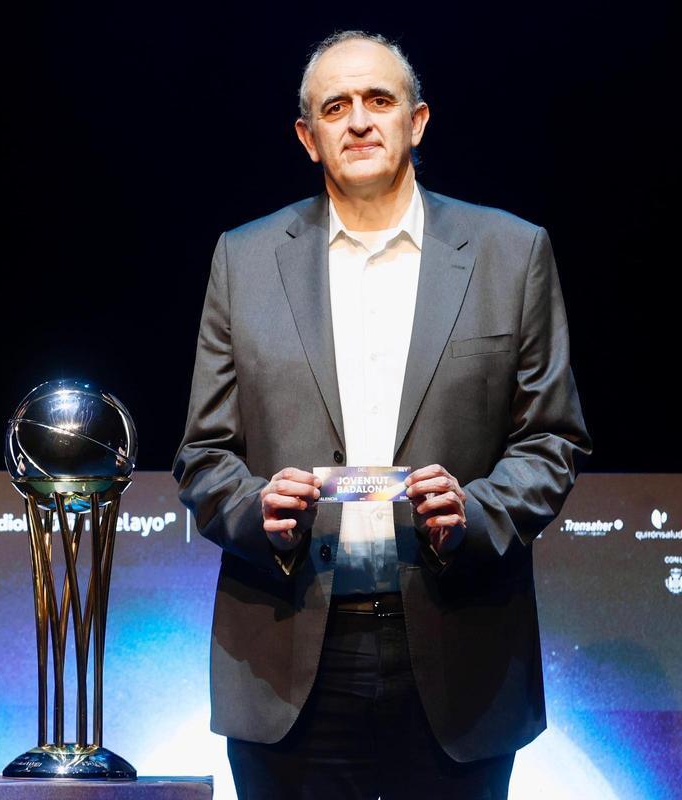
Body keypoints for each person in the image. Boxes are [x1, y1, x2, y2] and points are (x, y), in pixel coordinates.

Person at [174, 31, 590, 799]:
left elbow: (552, 439)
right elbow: (204, 454)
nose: (359, 120)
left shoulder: (511, 252)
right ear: (308, 137)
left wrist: (477, 509)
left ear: (417, 121)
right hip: (285, 650)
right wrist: (252, 507)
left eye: (379, 101)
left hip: (459, 652)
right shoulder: (244, 258)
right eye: (336, 107)